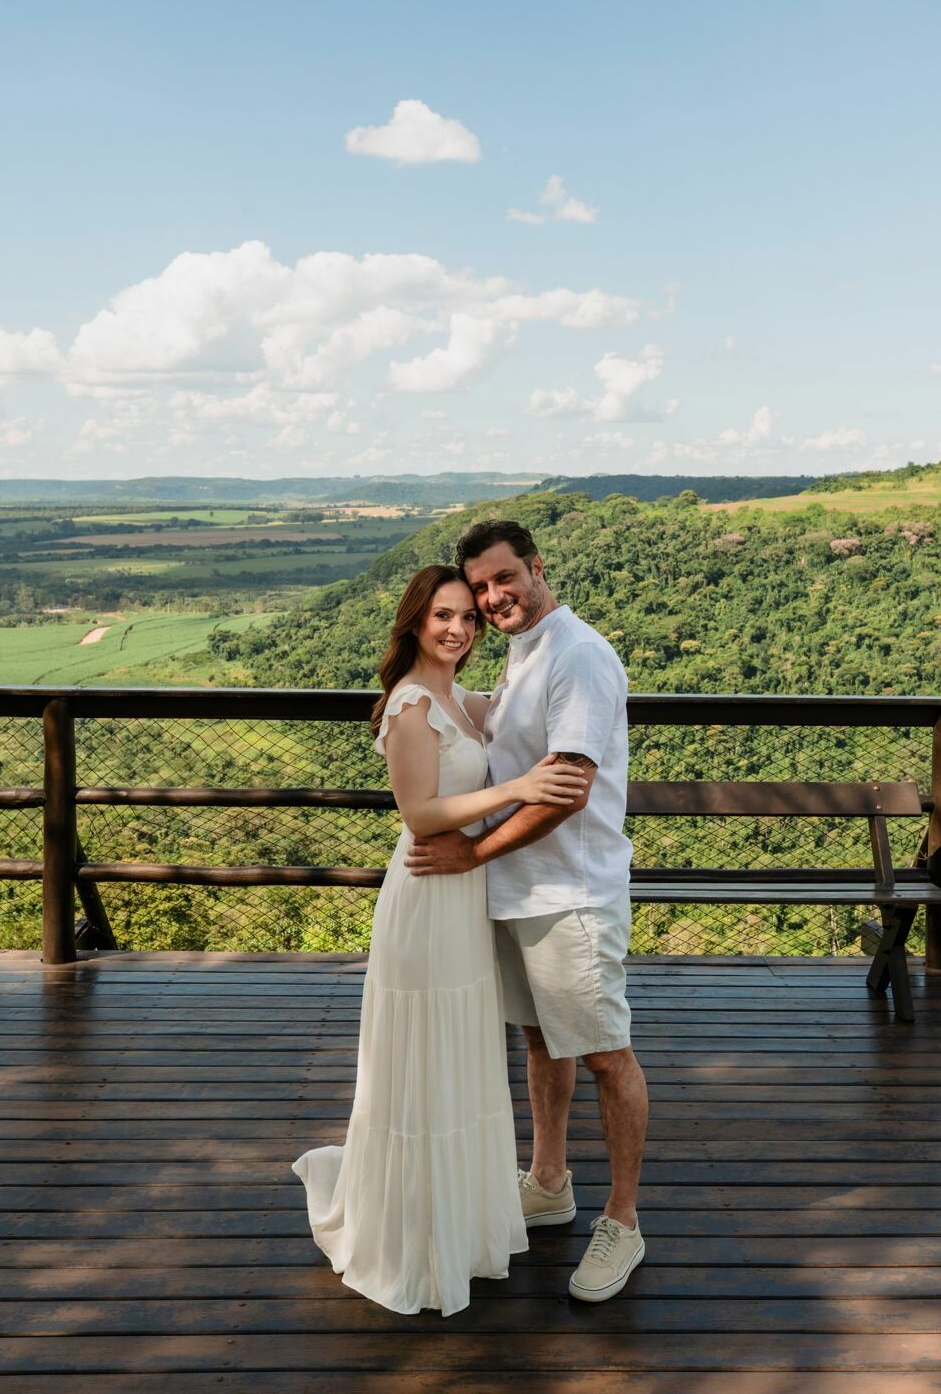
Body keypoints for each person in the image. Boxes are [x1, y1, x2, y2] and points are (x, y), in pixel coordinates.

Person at [291, 564, 588, 1316]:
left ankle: (455, 1221)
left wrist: (567, 643)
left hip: (465, 893)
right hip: (426, 892)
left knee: (458, 1053)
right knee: (422, 1056)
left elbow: (534, 708)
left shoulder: (460, 697)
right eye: (442, 616)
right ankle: (413, 1234)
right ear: (415, 623)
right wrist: (517, 790)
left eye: (467, 618)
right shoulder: (411, 704)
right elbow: (421, 814)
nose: (457, 628)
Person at [405, 521, 649, 1304]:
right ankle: (548, 1181)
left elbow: (567, 786)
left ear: (537, 569)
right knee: (543, 1041)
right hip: (520, 891)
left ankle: (623, 1222)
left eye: (504, 579)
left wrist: (473, 855)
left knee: (605, 1052)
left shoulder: (576, 654)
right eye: (479, 589)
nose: (492, 597)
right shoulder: (524, 650)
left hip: (568, 893)